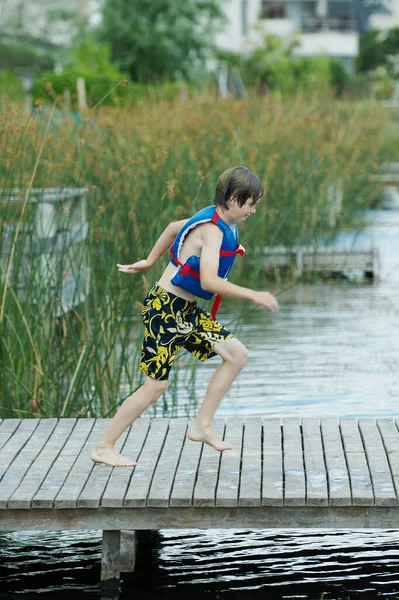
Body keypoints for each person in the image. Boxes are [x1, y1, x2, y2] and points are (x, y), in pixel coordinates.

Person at [90, 166, 279, 467]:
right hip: (165, 309)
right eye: (251, 203)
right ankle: (104, 446)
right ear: (233, 200)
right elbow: (208, 283)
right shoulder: (213, 230)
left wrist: (149, 261)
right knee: (155, 387)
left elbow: (173, 227)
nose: (254, 210)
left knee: (236, 354)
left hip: (185, 311)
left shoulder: (219, 222)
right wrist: (254, 294)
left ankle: (202, 425)